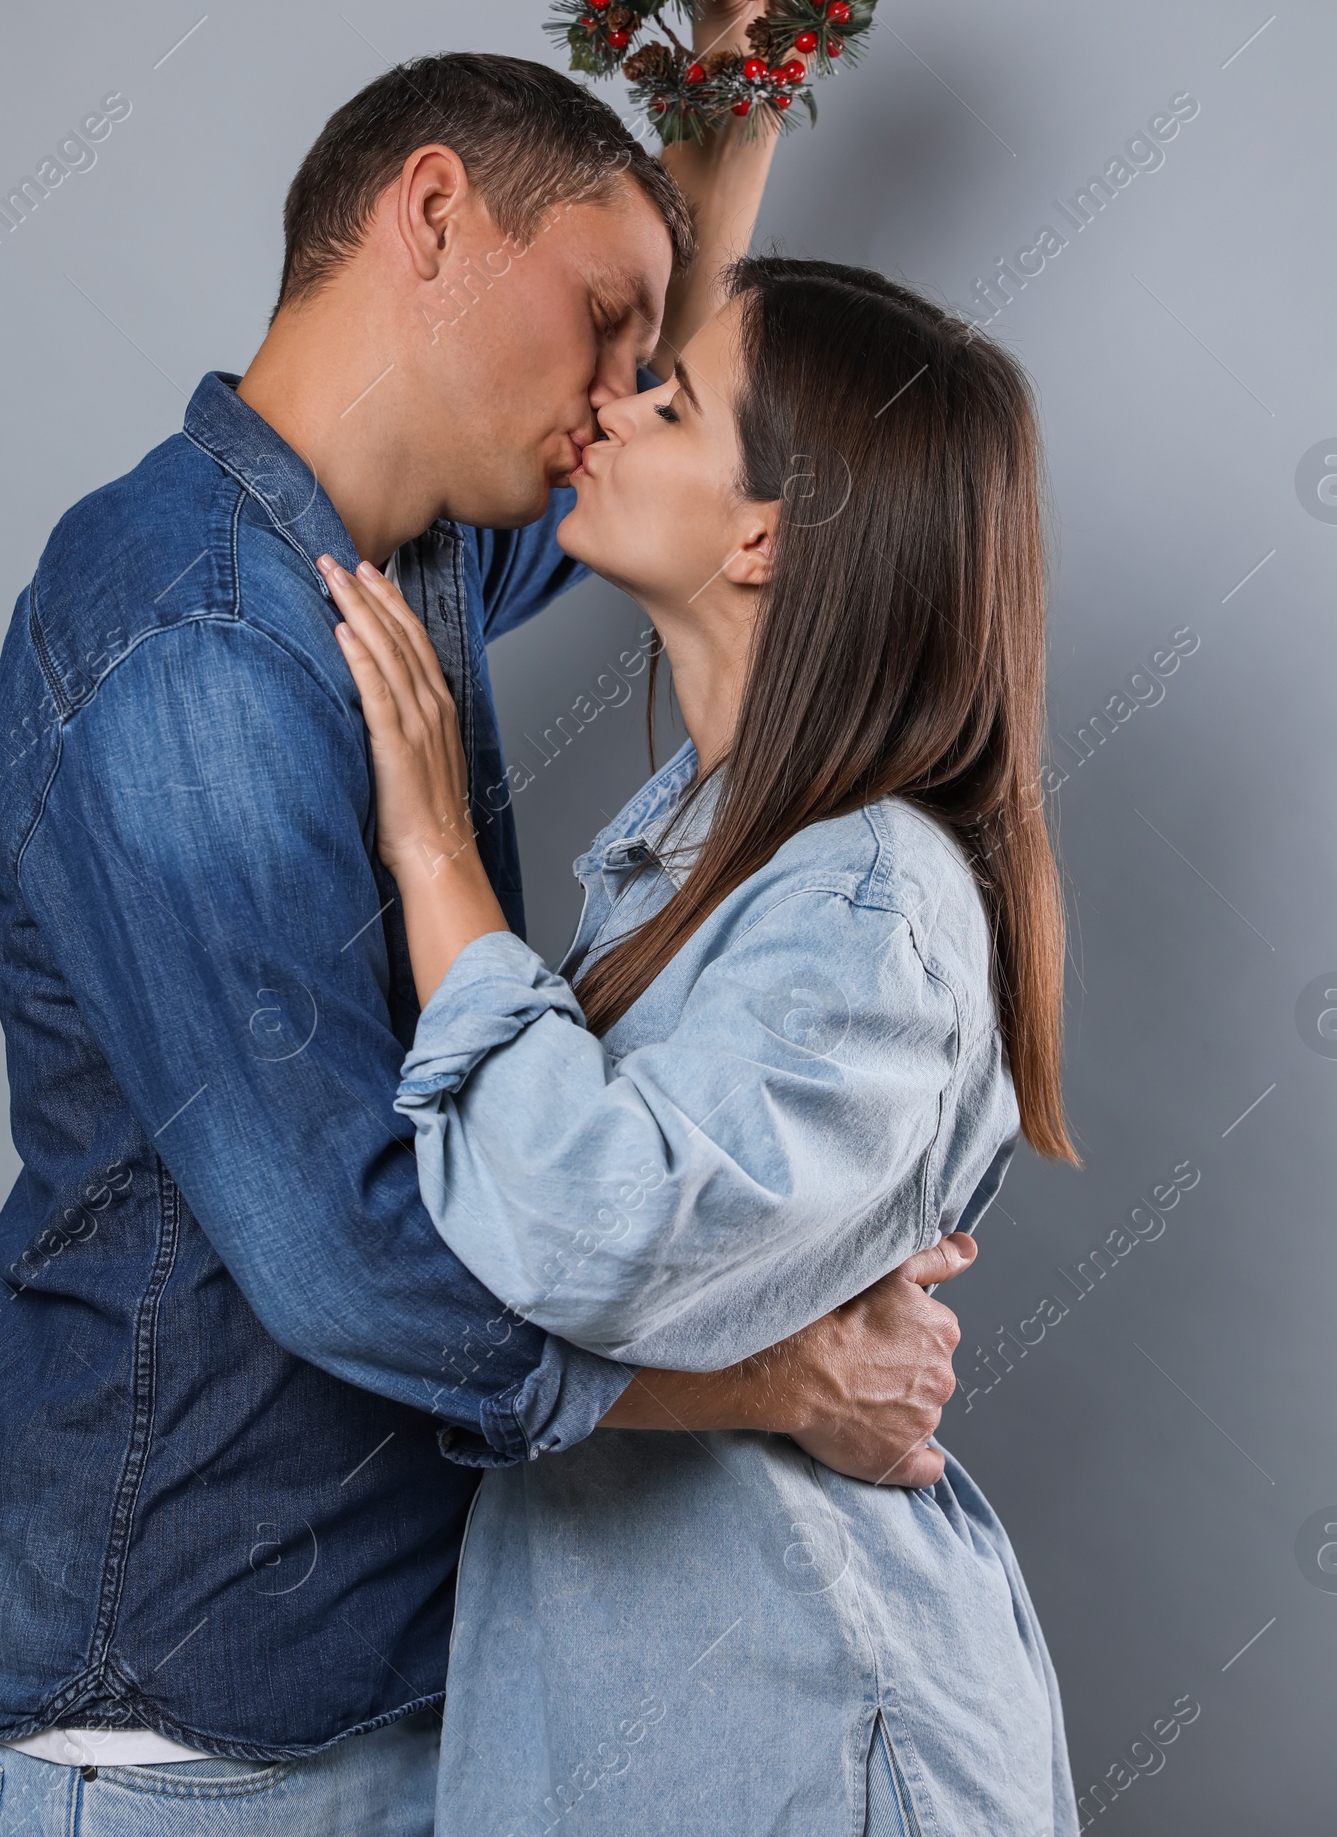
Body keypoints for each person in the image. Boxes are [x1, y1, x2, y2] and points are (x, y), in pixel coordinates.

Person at [0, 17, 979, 1830]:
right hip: (193, 1720)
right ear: (432, 216)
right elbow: (349, 1260)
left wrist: (722, 128)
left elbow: (673, 499)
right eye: (608, 321)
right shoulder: (194, 640)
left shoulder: (390, 559)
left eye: (657, 365)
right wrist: (778, 1376)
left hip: (392, 1688)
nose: (622, 395)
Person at [324, 254, 1080, 1835]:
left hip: (810, 1726)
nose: (613, 405)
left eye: (669, 403)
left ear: (763, 535)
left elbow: (586, 1231)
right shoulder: (711, 842)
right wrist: (792, 1372)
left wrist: (436, 853)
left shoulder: (867, 897)